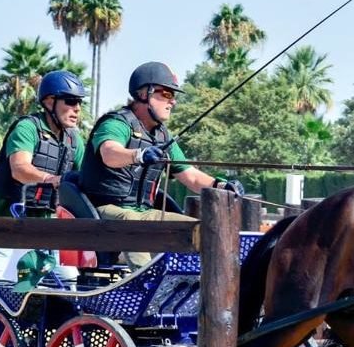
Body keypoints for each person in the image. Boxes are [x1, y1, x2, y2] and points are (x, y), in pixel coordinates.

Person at [79, 61, 243, 268]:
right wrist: (139, 155)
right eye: (166, 94)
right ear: (144, 93)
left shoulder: (163, 135)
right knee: (132, 221)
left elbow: (190, 176)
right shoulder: (116, 123)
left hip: (144, 212)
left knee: (205, 231)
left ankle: (193, 285)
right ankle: (146, 285)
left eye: (173, 96)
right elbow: (110, 153)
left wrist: (221, 186)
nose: (172, 102)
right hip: (103, 210)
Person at [0, 71, 88, 281]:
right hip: (4, 224)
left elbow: (85, 178)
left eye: (79, 103)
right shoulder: (27, 128)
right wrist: (50, 179)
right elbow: (19, 169)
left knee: (70, 283)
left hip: (46, 227)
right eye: (71, 101)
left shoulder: (74, 140)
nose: (77, 108)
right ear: (49, 101)